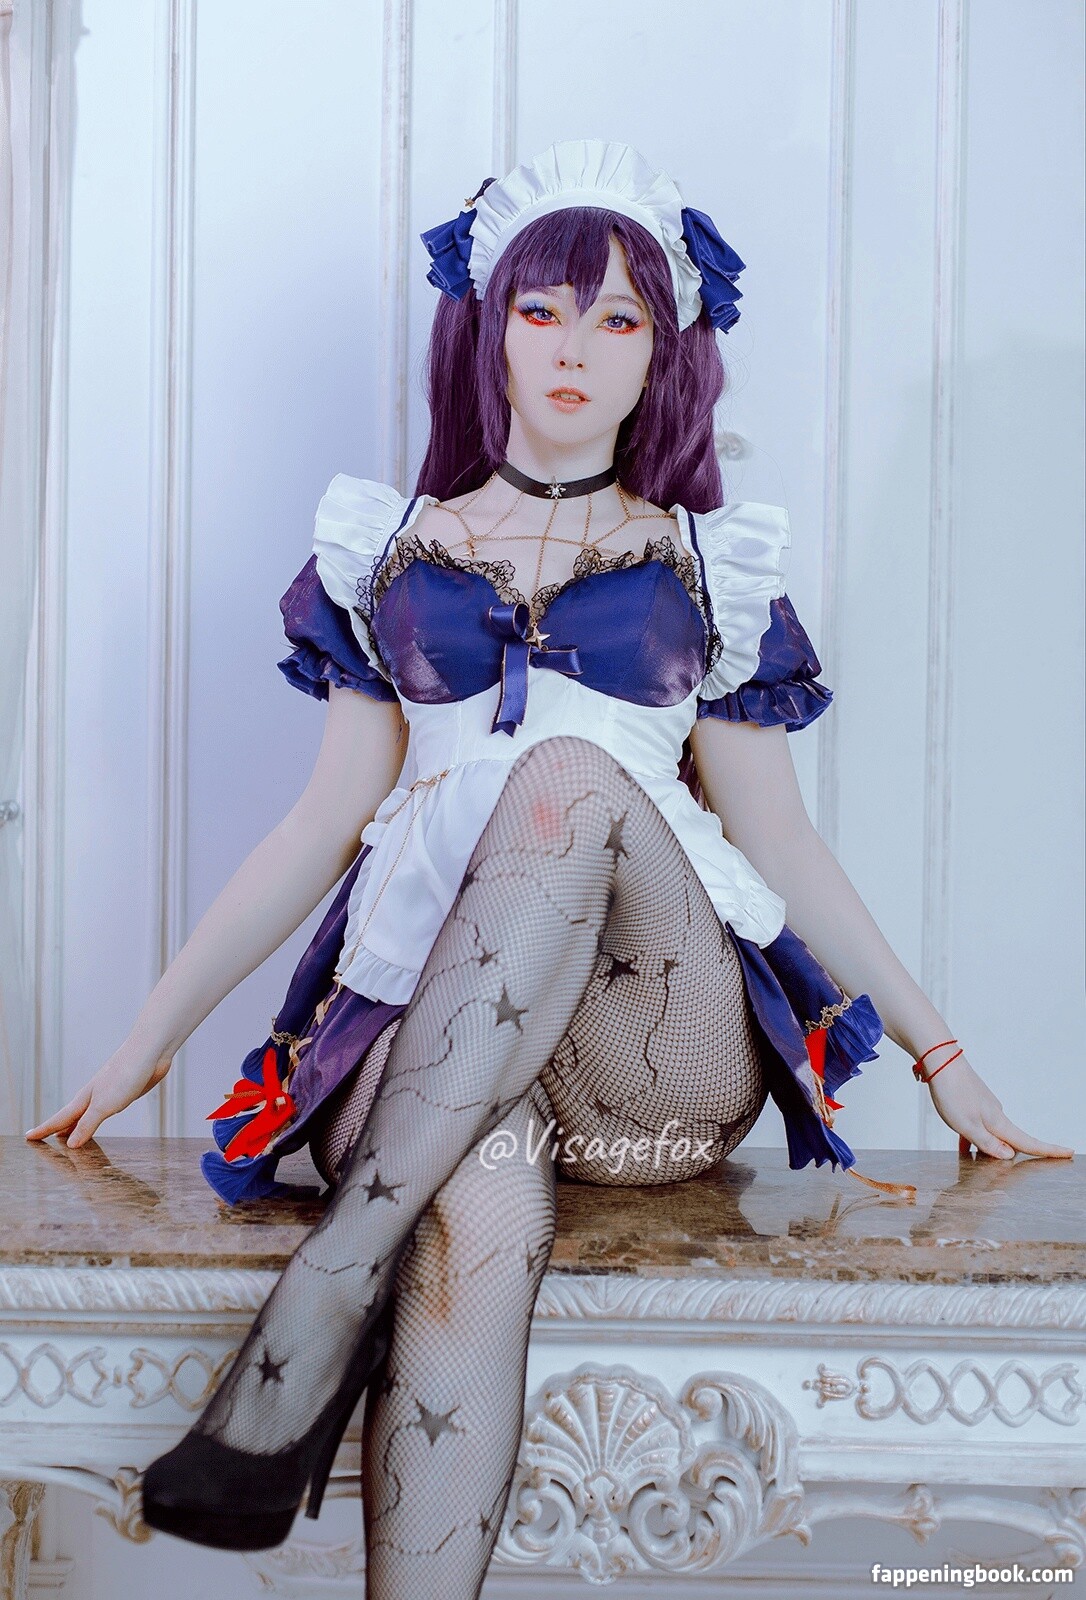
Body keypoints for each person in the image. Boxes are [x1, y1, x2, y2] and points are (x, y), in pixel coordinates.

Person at [25, 140, 1072, 1596]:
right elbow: (321, 825)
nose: (574, 348)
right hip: (433, 1050)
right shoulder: (387, 554)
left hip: (650, 1059)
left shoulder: (708, 567)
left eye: (617, 317)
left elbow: (778, 841)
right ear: (491, 329)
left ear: (663, 352)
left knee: (566, 774)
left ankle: (326, 1289)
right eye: (542, 310)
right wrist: (146, 1041)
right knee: (481, 1207)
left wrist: (940, 1054)